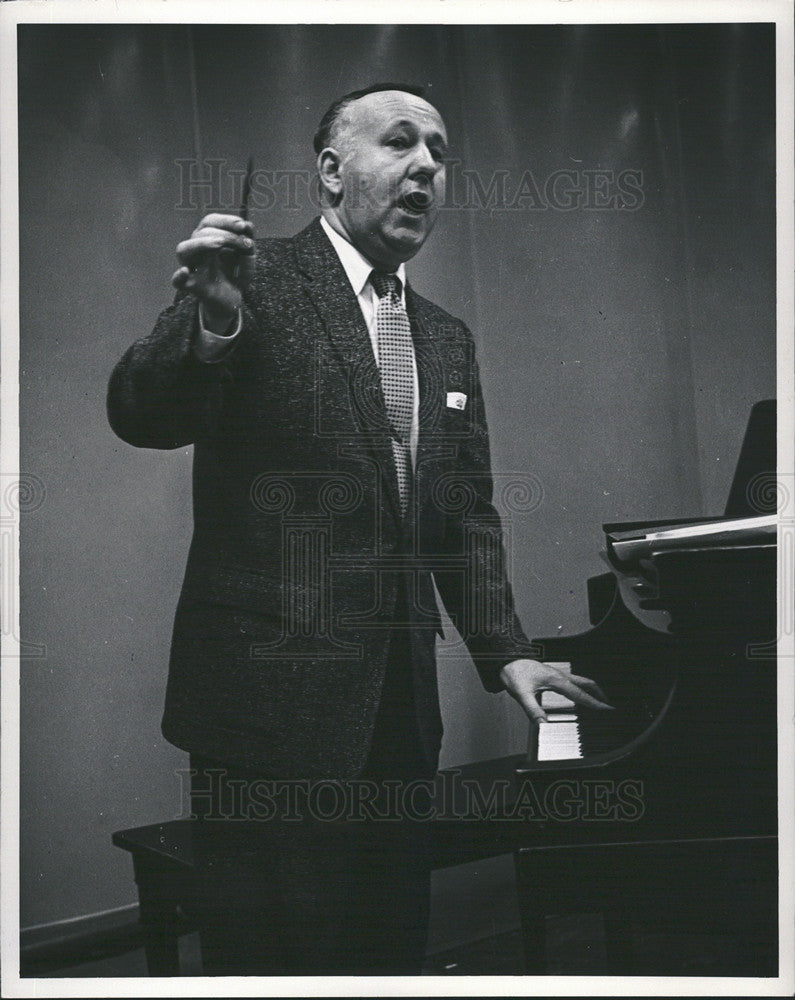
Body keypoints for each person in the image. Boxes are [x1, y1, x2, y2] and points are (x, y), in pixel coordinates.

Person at [107, 82, 610, 975]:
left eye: (441, 152)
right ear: (332, 172)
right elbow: (142, 413)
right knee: (273, 965)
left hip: (398, 715)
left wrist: (508, 650)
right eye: (401, 142)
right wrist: (212, 319)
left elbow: (462, 513)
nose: (427, 166)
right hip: (268, 719)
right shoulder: (250, 282)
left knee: (386, 955)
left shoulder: (446, 337)